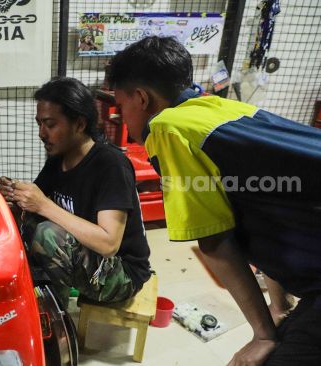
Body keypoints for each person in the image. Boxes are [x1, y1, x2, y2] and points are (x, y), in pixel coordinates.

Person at [107, 36, 321, 366]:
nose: (121, 117)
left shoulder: (168, 128)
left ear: (141, 98)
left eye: (121, 107)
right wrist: (278, 308)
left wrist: (263, 334)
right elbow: (270, 209)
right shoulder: (222, 107)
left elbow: (214, 241)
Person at [0, 77, 151, 308]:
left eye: (50, 124)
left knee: (48, 234)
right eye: (39, 124)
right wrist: (15, 194)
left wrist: (44, 205)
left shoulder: (111, 165)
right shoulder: (58, 159)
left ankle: (56, 318)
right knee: (28, 222)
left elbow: (109, 244)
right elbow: (34, 207)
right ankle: (38, 293)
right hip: (88, 255)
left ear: (79, 124)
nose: (41, 133)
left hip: (122, 273)